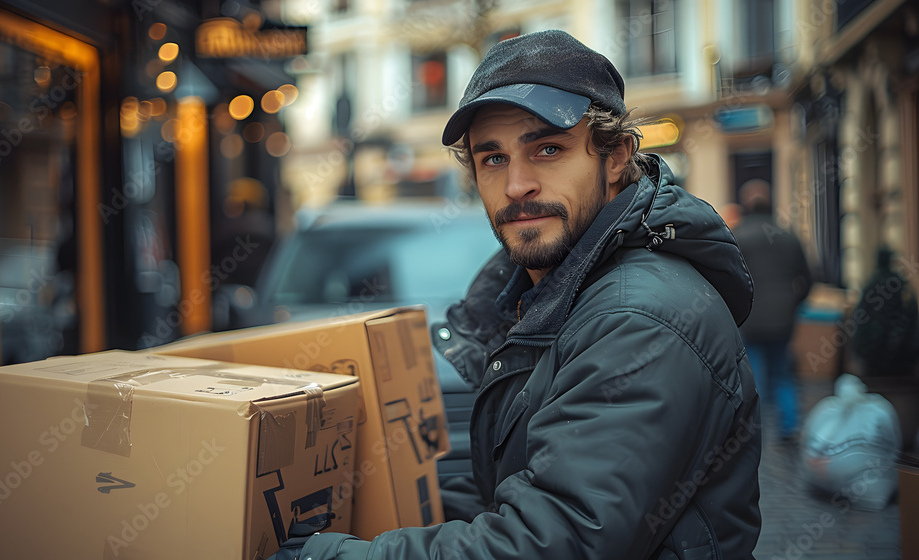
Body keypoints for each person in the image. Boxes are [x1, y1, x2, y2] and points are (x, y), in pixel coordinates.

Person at [270, 29, 761, 560]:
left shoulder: (640, 319)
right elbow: (502, 496)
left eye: (548, 148)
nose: (516, 185)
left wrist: (325, 556)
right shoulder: (545, 293)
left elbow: (557, 540)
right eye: (493, 158)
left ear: (616, 157)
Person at [732, 179, 812, 443]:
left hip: (750, 318)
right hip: (783, 319)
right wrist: (792, 304)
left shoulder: (738, 236)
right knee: (783, 373)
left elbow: (728, 279)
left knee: (754, 376)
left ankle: (755, 430)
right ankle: (789, 425)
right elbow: (808, 278)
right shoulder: (788, 235)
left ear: (745, 204)